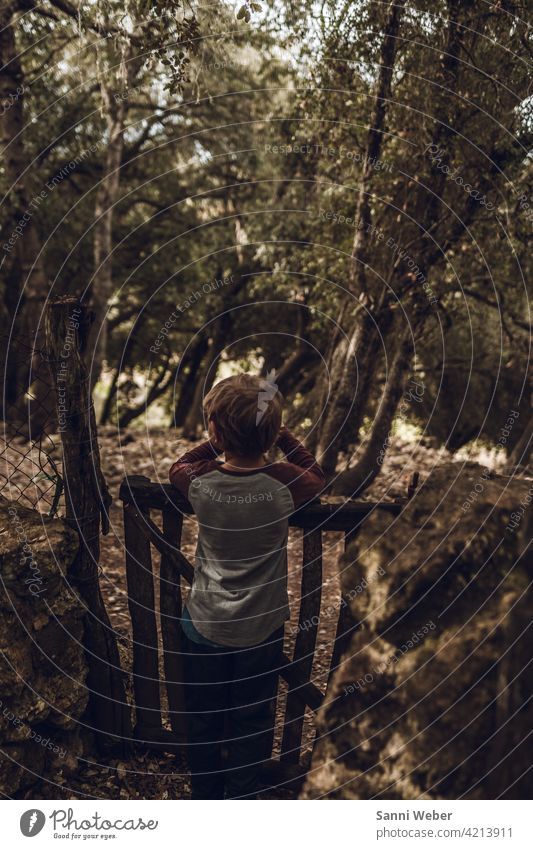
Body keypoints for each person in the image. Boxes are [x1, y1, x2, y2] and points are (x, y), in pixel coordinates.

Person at [168, 373, 325, 799]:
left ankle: (206, 799)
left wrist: (214, 445)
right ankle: (241, 800)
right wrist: (285, 436)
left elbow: (177, 466)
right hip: (262, 628)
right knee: (252, 720)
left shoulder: (201, 483)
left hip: (204, 626)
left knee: (203, 719)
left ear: (215, 430)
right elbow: (316, 474)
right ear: (272, 432)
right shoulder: (285, 483)